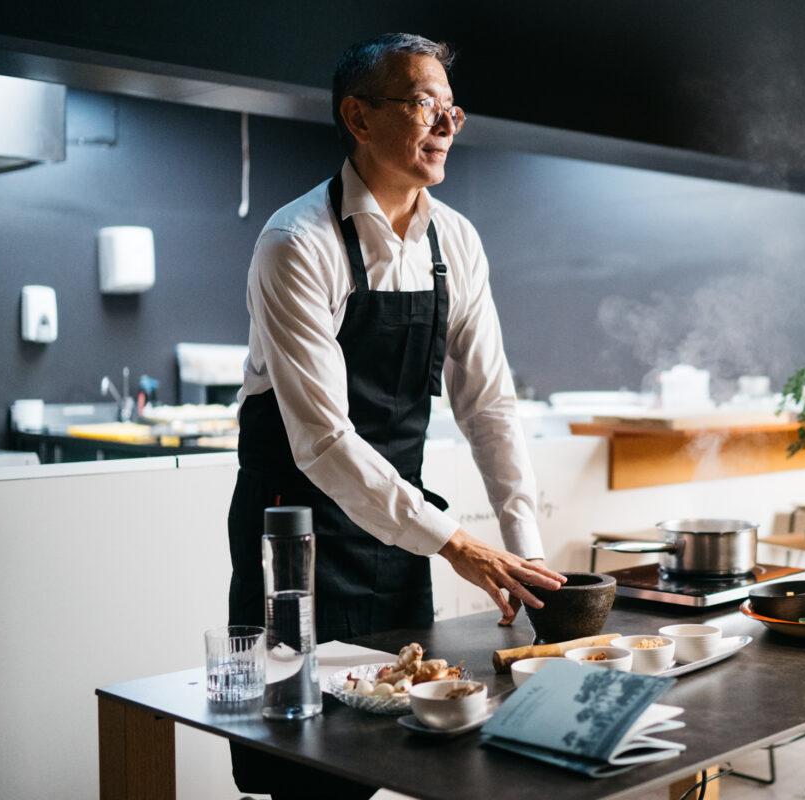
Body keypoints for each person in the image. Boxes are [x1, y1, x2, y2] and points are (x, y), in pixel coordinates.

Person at [226, 33, 566, 799]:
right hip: (296, 542)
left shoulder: (457, 240)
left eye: (451, 108)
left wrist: (529, 561)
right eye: (422, 104)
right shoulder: (296, 243)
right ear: (359, 116)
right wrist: (458, 545)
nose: (445, 124)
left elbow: (489, 404)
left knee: (412, 747)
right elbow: (321, 441)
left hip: (399, 540)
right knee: (306, 764)